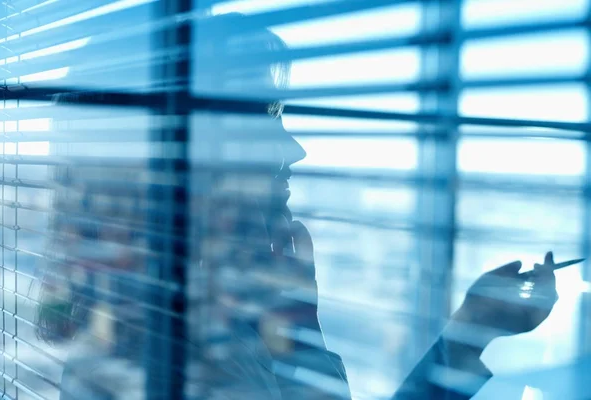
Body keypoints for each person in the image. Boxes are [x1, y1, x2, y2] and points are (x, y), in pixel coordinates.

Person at [35, 12, 560, 400]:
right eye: (265, 119)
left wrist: (474, 327)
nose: (294, 149)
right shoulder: (157, 369)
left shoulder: (206, 329)